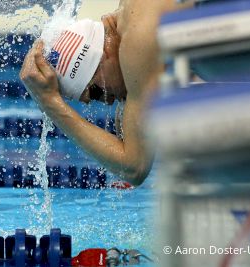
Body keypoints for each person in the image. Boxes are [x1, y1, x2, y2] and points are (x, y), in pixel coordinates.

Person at [20, 0, 194, 186]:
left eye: (96, 92)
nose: (109, 101)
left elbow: (135, 168)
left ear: (103, 56)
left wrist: (50, 102)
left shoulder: (137, 39)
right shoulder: (132, 14)